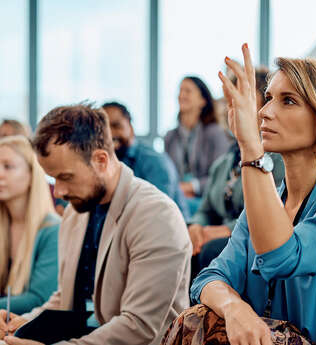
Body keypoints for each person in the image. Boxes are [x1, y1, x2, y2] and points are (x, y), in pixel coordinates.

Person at [164, 44, 316, 345]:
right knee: (195, 318)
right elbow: (208, 279)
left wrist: (251, 150)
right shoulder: (266, 203)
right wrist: (234, 307)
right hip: (276, 337)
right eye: (268, 98)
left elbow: (281, 257)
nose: (263, 111)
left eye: (288, 101)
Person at [0, 104, 192, 345]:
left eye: (66, 177)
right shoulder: (76, 211)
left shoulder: (156, 215)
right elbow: (67, 298)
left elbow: (139, 327)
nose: (58, 191)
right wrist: (24, 321)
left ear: (101, 160)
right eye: (53, 178)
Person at [188, 68, 285, 279]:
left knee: (211, 250)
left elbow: (276, 211)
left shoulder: (279, 159)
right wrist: (197, 227)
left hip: (252, 238)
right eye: (228, 101)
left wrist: (226, 230)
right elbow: (206, 209)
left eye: (239, 101)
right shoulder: (223, 163)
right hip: (217, 236)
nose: (228, 109)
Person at [0, 136, 59, 314]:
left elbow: (38, 299)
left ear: (32, 174)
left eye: (8, 166)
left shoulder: (53, 230)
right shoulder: (4, 225)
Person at [102, 101, 190, 220]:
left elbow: (158, 211)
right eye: (104, 129)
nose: (110, 134)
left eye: (116, 126)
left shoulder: (154, 161)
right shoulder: (106, 162)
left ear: (131, 128)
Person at [164, 76, 232, 202]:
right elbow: (168, 174)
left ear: (203, 101)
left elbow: (222, 177)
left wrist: (191, 187)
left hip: (208, 200)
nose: (181, 95)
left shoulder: (215, 133)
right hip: (177, 197)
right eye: (180, 91)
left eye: (188, 91)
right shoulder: (170, 137)